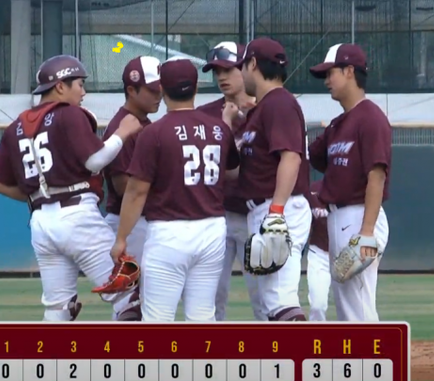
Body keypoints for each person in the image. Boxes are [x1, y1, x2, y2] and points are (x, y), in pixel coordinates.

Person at [0, 55, 143, 321]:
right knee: (128, 295)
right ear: (60, 86)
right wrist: (122, 132)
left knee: (58, 308)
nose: (83, 92)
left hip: (40, 223)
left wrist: (42, 195)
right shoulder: (69, 113)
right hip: (77, 216)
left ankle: (48, 350)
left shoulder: (15, 127)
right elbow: (95, 160)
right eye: (79, 84)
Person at [111, 58, 241, 322]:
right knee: (202, 316)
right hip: (212, 230)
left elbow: (136, 192)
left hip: (169, 233)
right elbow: (233, 172)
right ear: (195, 88)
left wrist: (121, 238)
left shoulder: (154, 132)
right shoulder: (218, 127)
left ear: (163, 89)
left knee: (157, 319)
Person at [308, 43, 392, 322]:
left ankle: (372, 350)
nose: (326, 81)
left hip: (359, 216)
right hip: (340, 217)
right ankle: (366, 350)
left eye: (330, 73)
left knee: (357, 305)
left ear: (349, 71)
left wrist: (366, 232)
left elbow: (377, 175)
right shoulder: (338, 124)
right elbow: (313, 156)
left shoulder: (370, 118)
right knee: (350, 304)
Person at [231, 37, 312, 321]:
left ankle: (301, 351)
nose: (240, 73)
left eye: (242, 66)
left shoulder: (279, 103)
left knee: (280, 302)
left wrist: (276, 211)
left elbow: (291, 158)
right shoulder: (265, 107)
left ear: (253, 64)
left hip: (279, 207)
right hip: (267, 208)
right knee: (271, 305)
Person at [198, 41, 266, 322]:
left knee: (264, 298)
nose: (222, 77)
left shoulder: (267, 110)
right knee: (212, 297)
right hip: (219, 215)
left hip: (256, 214)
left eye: (228, 69)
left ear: (245, 67)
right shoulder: (205, 115)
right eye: (217, 71)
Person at [98, 55, 163, 321]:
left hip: (141, 221)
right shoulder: (123, 126)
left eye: (161, 89)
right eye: (152, 90)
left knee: (144, 302)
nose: (159, 95)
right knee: (130, 305)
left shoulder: (143, 123)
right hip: (130, 223)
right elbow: (123, 187)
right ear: (131, 90)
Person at [305, 179, 331, 321]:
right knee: (317, 306)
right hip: (319, 254)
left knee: (354, 308)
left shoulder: (352, 189)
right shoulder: (313, 190)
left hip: (346, 255)